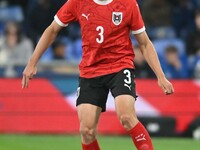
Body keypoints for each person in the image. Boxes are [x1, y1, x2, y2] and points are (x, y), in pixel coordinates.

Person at [22, 0, 174, 149]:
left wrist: (160, 76)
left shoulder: (127, 3)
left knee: (126, 117)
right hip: (91, 70)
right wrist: (32, 62)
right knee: (86, 131)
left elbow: (144, 43)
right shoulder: (77, 2)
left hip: (120, 66)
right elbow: (52, 29)